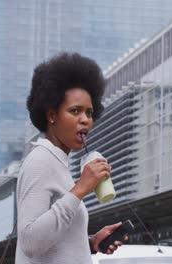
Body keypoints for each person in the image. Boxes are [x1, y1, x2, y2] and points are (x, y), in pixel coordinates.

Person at [15, 52, 128, 264]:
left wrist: (91, 243)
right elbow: (30, 242)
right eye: (75, 111)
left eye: (89, 113)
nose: (85, 120)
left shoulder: (58, 163)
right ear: (52, 115)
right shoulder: (41, 161)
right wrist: (81, 189)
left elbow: (52, 244)